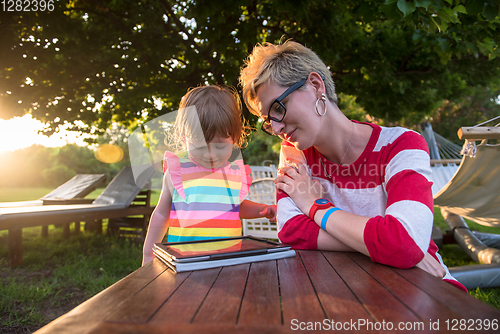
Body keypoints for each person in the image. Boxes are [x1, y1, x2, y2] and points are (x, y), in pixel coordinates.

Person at [239, 40, 467, 292]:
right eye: (268, 122)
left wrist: (315, 207)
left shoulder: (402, 145)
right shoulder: (295, 154)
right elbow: (291, 231)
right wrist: (387, 246)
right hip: (354, 291)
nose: (277, 128)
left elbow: (403, 242)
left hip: (429, 292)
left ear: (315, 86)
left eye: (278, 108)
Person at [142, 85, 277, 265]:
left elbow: (236, 207)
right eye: (199, 146)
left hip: (227, 260)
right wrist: (148, 253)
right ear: (184, 137)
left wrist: (262, 210)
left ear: (235, 138)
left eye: (220, 146)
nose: (210, 155)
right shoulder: (177, 172)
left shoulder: (233, 173)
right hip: (184, 260)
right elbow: (160, 214)